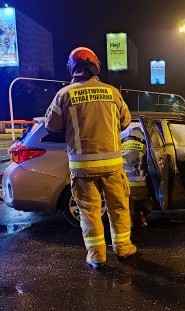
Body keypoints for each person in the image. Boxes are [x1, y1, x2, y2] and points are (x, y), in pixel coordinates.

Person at [45, 46, 136, 269]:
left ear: (71, 69)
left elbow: (51, 125)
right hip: (113, 167)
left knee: (90, 213)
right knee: (119, 208)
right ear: (97, 67)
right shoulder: (112, 92)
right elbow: (125, 122)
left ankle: (97, 257)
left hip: (83, 169)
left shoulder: (64, 95)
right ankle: (123, 249)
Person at [121, 126, 152, 227]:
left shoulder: (120, 146)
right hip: (141, 184)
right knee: (147, 196)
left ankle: (129, 222)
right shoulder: (144, 147)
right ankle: (142, 218)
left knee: (128, 202)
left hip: (124, 183)